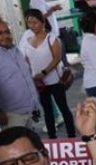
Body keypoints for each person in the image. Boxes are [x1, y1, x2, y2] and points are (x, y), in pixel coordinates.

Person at [17, 9, 75, 137]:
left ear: (43, 23)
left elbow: (57, 58)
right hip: (40, 84)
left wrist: (44, 72)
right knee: (47, 111)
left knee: (63, 108)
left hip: (55, 80)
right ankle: (52, 138)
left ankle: (71, 136)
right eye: (30, 23)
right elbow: (26, 61)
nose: (32, 26)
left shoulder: (52, 38)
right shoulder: (27, 42)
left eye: (35, 22)